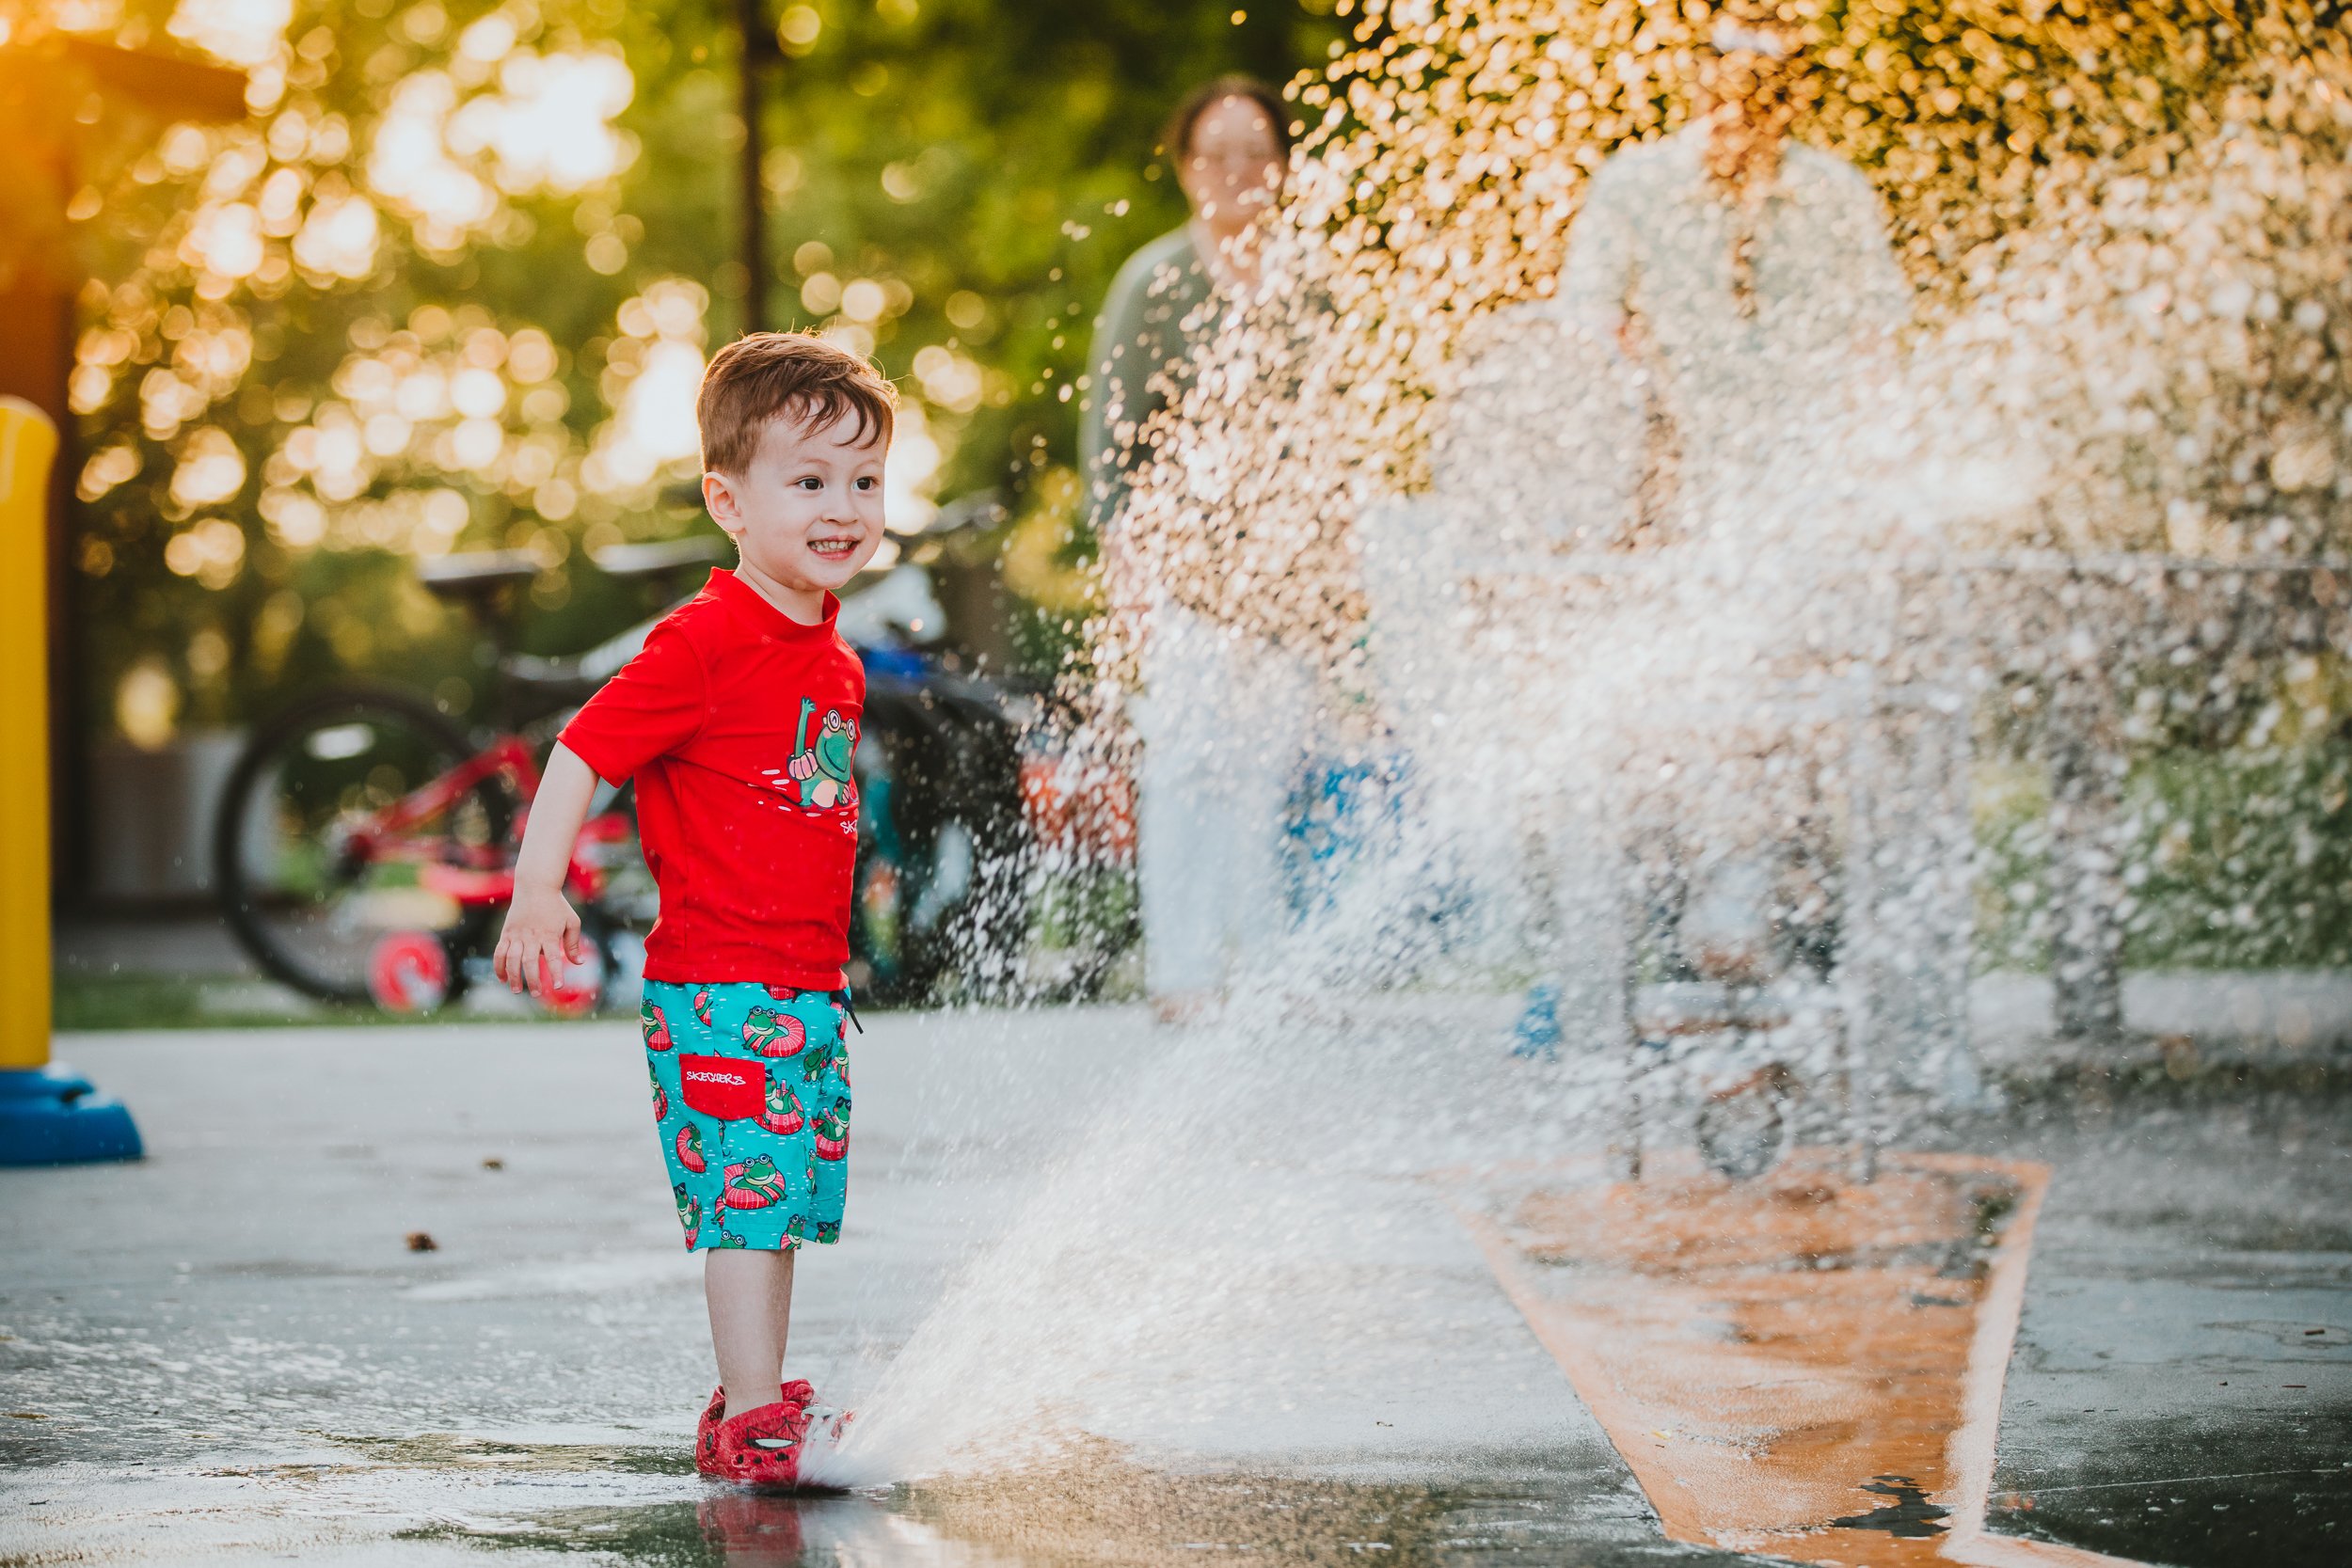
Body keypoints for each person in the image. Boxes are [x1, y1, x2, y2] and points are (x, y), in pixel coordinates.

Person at [493, 332, 889, 1489]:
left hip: (805, 985)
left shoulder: (832, 656)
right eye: (808, 480)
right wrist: (536, 882)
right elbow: (582, 749)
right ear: (727, 497)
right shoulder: (703, 640)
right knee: (744, 1205)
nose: (842, 507)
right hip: (720, 985)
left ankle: (750, 1403)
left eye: (864, 481)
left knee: (781, 1203)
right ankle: (758, 1410)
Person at [1081, 76, 1317, 1020]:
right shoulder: (1155, 280)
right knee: (1184, 768)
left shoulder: (1308, 281)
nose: (1237, 171)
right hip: (1180, 564)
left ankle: (1264, 963)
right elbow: (1112, 434)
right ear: (1186, 169)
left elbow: (1329, 424)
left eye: (1255, 151)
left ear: (1282, 165)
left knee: (1264, 774)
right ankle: (1181, 970)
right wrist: (1124, 562)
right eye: (1216, 154)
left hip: (1282, 570)